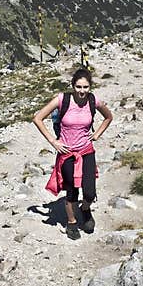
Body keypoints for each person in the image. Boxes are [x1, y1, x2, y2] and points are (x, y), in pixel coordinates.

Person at [32, 68, 113, 239]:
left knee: (89, 192)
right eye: (78, 87)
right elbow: (38, 118)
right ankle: (71, 223)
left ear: (90, 87)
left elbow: (108, 117)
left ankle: (85, 208)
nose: (82, 91)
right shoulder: (62, 100)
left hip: (86, 151)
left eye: (85, 87)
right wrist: (53, 142)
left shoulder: (93, 100)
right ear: (73, 86)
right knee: (71, 191)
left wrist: (97, 134)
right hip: (67, 152)